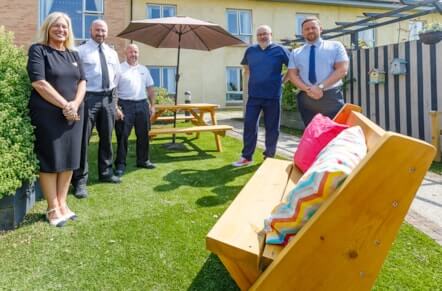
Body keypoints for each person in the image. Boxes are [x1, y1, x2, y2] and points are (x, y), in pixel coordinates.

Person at [27, 12, 86, 226]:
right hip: (48, 114)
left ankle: (63, 203)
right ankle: (52, 208)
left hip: (73, 114)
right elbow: (39, 83)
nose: (61, 30)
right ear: (48, 28)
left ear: (69, 30)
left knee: (69, 159)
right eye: (56, 26)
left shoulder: (74, 54)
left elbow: (82, 82)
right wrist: (65, 105)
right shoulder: (39, 50)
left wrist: (75, 104)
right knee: (51, 159)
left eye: (65, 27)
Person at [71, 19, 121, 199]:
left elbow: (116, 78)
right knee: (83, 140)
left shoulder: (112, 53)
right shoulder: (80, 51)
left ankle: (106, 173)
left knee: (107, 137)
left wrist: (114, 102)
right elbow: (75, 77)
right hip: (88, 98)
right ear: (90, 30)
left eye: (103, 31)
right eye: (97, 30)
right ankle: (79, 181)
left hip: (108, 98)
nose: (100, 33)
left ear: (107, 33)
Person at [232, 25, 289, 167]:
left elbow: (293, 68)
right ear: (256, 37)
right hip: (254, 96)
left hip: (273, 96)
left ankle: (269, 157)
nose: (262, 36)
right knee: (249, 125)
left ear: (271, 34)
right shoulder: (250, 50)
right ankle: (246, 157)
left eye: (265, 34)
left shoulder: (280, 50)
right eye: (259, 35)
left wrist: (282, 81)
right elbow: (246, 68)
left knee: (272, 128)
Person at [288, 17, 349, 126]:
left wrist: (320, 87)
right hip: (306, 97)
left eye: (313, 27)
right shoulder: (295, 53)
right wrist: (308, 89)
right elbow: (292, 75)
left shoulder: (335, 46)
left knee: (334, 133)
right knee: (311, 135)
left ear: (320, 29)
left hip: (330, 97)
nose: (310, 31)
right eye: (306, 29)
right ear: (302, 32)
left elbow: (342, 70)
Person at [114, 44, 156, 176]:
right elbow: (113, 90)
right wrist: (115, 108)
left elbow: (150, 89)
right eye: (131, 52)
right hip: (125, 105)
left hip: (142, 105)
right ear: (125, 53)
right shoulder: (119, 69)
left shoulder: (143, 69)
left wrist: (152, 105)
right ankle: (120, 164)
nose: (134, 54)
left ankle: (143, 160)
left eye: (136, 52)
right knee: (122, 136)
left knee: (143, 134)